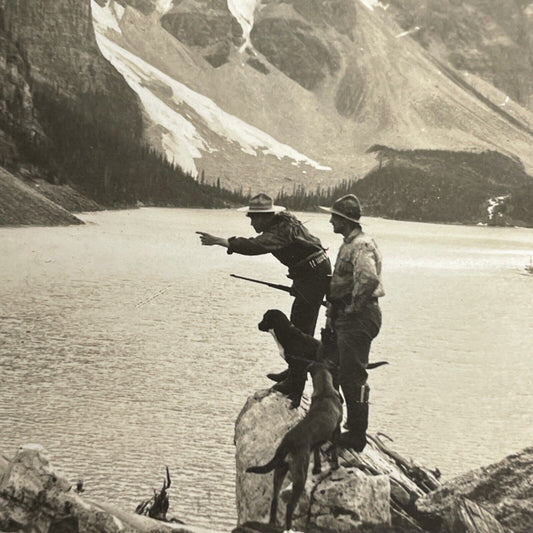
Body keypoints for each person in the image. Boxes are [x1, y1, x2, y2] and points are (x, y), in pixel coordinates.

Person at [197, 192, 331, 407]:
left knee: (300, 330)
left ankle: (295, 386)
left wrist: (221, 241)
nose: (251, 222)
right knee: (299, 327)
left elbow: (254, 246)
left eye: (254, 218)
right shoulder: (282, 224)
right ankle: (294, 371)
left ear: (266, 217)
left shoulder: (278, 231)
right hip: (311, 273)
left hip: (312, 275)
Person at [319, 194, 384, 451]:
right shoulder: (350, 243)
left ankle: (357, 434)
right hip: (346, 316)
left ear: (344, 220)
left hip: (359, 317)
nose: (330, 220)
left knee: (352, 375)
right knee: (335, 369)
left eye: (334, 216)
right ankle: (334, 426)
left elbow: (368, 280)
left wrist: (353, 307)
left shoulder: (361, 245)